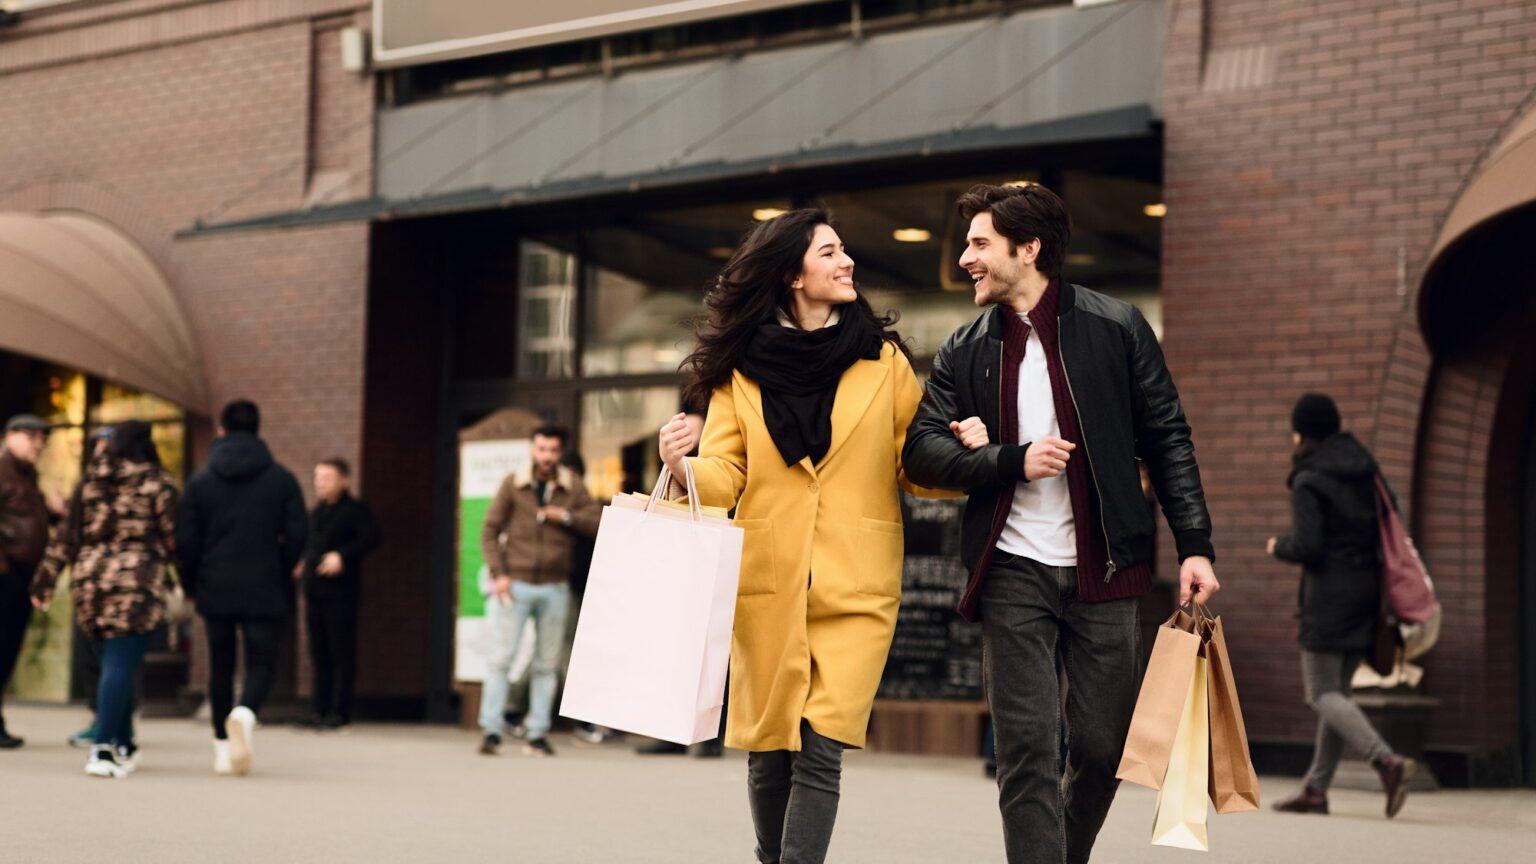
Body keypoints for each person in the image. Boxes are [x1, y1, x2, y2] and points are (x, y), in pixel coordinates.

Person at [902, 183, 1220, 864]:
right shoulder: (966, 347)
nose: (965, 259)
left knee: (1103, 748)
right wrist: (1005, 460)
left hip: (1105, 564)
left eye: (980, 244)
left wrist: (1194, 544)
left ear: (1029, 249)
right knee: (1026, 748)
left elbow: (1167, 436)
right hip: (1012, 568)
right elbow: (921, 450)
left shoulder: (1115, 326)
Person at [658, 207, 954, 864]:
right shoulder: (739, 372)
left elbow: (915, 465)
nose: (847, 261)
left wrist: (966, 455)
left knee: (822, 748)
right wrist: (681, 466)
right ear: (793, 273)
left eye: (843, 251)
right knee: (770, 753)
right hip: (769, 582)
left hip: (858, 584)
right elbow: (728, 474)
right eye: (830, 252)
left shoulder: (884, 364)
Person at [1267, 393, 1416, 818]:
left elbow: (1310, 546)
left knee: (1321, 693)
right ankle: (1316, 790)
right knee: (1339, 693)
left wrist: (1279, 546)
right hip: (1367, 594)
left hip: (1329, 598)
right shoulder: (1364, 467)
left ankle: (1386, 761)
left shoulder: (1309, 477)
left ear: (1302, 431)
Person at [30, 421, 178, 779]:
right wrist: (190, 582)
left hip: (90, 584)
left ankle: (124, 742)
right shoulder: (157, 483)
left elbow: (65, 538)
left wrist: (44, 581)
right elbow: (175, 539)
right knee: (119, 666)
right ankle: (104, 747)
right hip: (135, 584)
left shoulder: (89, 484)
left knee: (114, 665)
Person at [176, 399, 307, 776]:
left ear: (221, 429)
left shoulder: (201, 481)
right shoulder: (281, 479)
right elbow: (298, 533)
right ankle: (246, 713)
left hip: (215, 583)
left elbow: (186, 539)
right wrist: (280, 569)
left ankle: (220, 745)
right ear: (257, 429)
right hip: (264, 581)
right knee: (262, 660)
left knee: (220, 664)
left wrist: (192, 580)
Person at [477, 425, 600, 758]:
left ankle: (537, 732)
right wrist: (499, 574)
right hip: (515, 583)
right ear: (533, 450)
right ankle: (491, 729)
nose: (547, 456)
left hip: (554, 586)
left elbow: (597, 520)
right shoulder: (514, 483)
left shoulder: (572, 487)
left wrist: (568, 517)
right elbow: (489, 530)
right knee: (502, 658)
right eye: (541, 449)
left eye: (553, 451)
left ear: (560, 453)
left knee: (547, 664)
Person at [293, 457, 380, 730]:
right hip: (315, 590)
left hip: (341, 592)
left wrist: (343, 556)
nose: (320, 484)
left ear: (344, 479)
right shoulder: (316, 513)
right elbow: (310, 543)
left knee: (340, 651)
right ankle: (318, 708)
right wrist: (303, 562)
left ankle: (340, 710)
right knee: (318, 652)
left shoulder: (355, 511)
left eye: (327, 478)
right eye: (318, 478)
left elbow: (372, 538)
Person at [0, 413, 53, 750]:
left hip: (21, 576)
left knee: (7, 651)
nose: (39, 444)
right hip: (5, 575)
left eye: (42, 438)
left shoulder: (27, 478)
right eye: (31, 436)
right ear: (9, 436)